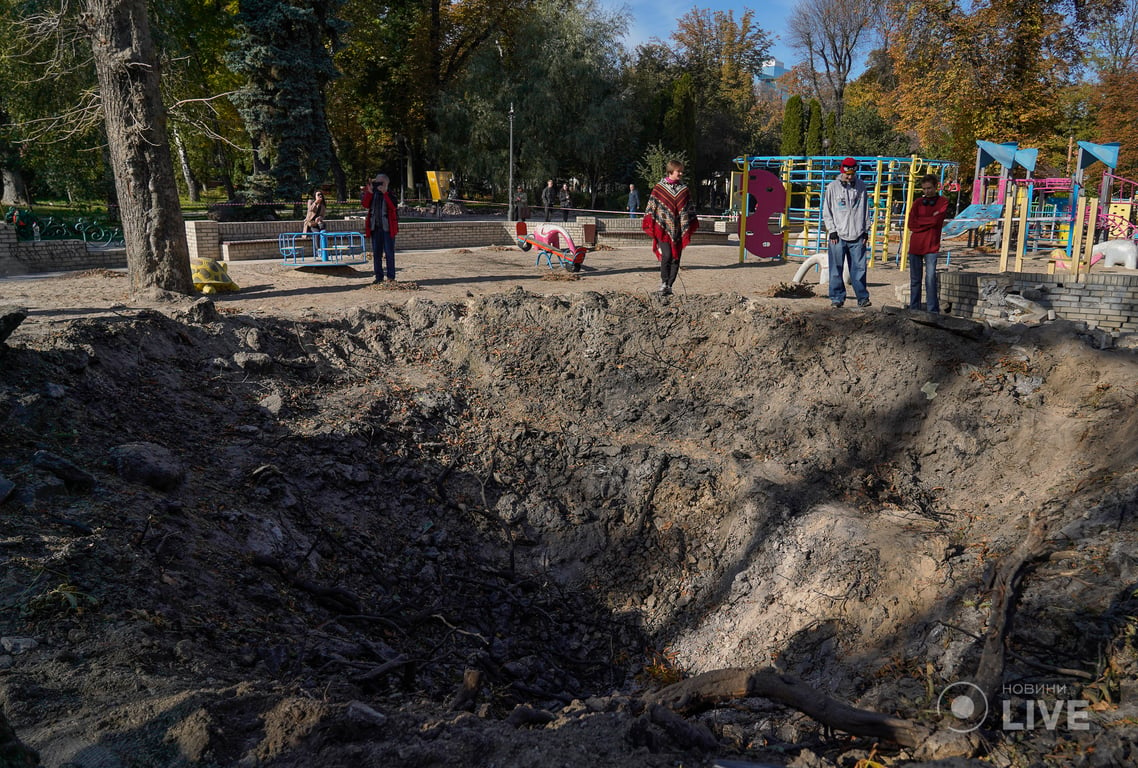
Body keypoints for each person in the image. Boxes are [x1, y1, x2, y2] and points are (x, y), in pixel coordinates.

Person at [641, 159, 698, 296]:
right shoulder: (659, 188)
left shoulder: (684, 189)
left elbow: (688, 208)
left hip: (678, 229)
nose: (681, 173)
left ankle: (670, 286)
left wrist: (687, 223)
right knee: (666, 255)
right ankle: (663, 283)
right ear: (671, 171)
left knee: (676, 257)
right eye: (679, 171)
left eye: (682, 171)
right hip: (663, 229)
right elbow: (652, 207)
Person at [823, 157, 872, 308]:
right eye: (847, 175)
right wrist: (832, 230)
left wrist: (865, 230)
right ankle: (837, 298)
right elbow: (827, 211)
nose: (850, 177)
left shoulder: (861, 187)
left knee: (859, 269)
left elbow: (866, 210)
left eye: (852, 174)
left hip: (857, 234)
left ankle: (862, 298)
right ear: (842, 172)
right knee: (836, 269)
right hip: (838, 234)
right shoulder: (832, 188)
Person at [907, 174, 950, 313]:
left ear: (936, 186)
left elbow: (937, 221)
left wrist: (921, 221)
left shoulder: (943, 201)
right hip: (915, 246)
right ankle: (914, 308)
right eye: (924, 189)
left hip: (931, 246)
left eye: (929, 188)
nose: (927, 191)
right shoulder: (918, 202)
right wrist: (929, 220)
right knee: (915, 280)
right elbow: (911, 224)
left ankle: (932, 310)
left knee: (930, 280)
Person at [362, 173, 399, 284]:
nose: (377, 184)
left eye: (380, 182)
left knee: (389, 253)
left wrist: (385, 193)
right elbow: (365, 204)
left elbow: (393, 206)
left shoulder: (391, 194)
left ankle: (391, 277)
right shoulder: (373, 194)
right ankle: (378, 277)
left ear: (386, 182)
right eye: (376, 182)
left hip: (388, 229)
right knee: (376, 254)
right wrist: (369, 192)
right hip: (375, 228)